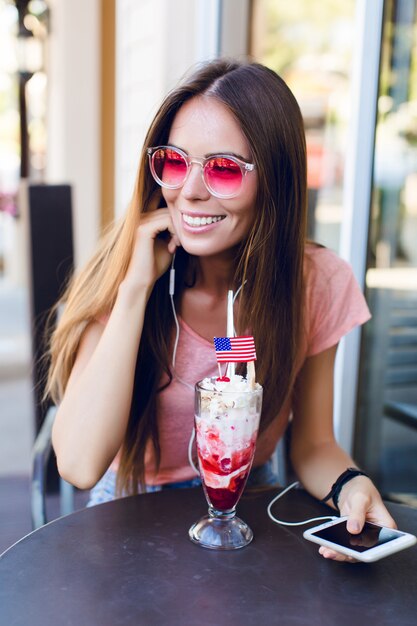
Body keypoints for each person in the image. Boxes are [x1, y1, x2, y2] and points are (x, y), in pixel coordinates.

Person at [47, 58, 396, 562]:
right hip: (130, 511)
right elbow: (79, 464)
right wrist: (133, 290)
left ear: (275, 181)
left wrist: (351, 487)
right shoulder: (124, 274)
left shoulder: (316, 282)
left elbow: (314, 445)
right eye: (173, 161)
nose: (189, 190)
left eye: (225, 169)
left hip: (252, 504)